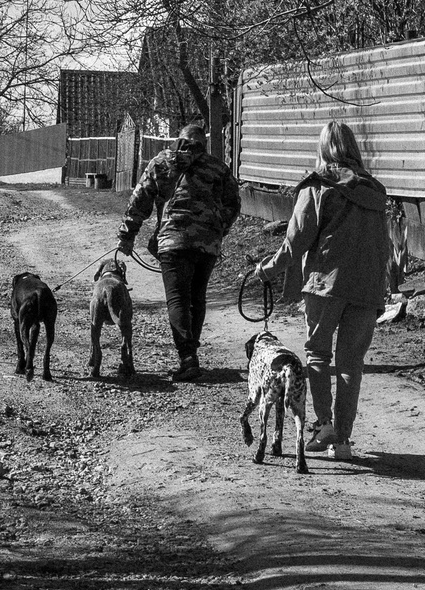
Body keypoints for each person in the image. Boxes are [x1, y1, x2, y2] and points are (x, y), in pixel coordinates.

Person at [253, 119, 389, 462]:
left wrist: (268, 269)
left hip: (325, 284)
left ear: (323, 148)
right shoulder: (374, 190)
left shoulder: (318, 186)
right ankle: (342, 440)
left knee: (318, 355)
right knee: (350, 363)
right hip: (367, 286)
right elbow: (383, 245)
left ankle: (324, 425)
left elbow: (296, 241)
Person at [116, 120, 241, 381]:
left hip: (172, 242)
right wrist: (220, 227)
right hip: (207, 244)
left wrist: (127, 235)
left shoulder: (161, 163)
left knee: (177, 299)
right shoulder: (217, 168)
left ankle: (188, 358)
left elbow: (140, 200)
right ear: (203, 144)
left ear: (178, 139)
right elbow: (234, 203)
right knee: (197, 298)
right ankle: (190, 355)